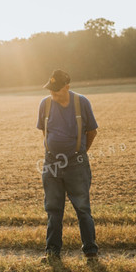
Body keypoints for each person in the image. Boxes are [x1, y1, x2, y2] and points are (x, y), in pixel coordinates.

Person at [37, 69, 99, 260]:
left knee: (82, 208)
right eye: (50, 90)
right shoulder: (45, 104)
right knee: (53, 209)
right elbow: (45, 132)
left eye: (56, 90)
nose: (52, 94)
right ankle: (52, 251)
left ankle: (90, 250)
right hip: (51, 164)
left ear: (67, 87)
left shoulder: (82, 103)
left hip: (76, 165)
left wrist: (78, 153)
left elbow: (92, 132)